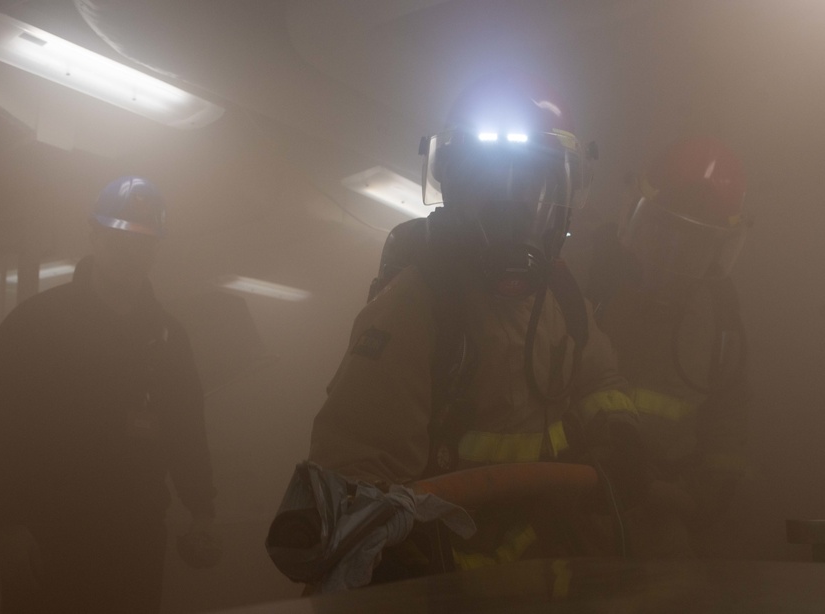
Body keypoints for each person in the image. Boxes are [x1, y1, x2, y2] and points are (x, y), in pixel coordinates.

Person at [308, 73, 649, 578]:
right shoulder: (418, 306)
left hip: (539, 570)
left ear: (564, 192)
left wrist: (618, 434)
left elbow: (601, 381)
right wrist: (395, 563)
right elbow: (355, 470)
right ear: (456, 189)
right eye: (491, 185)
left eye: (534, 185)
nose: (514, 210)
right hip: (444, 585)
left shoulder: (561, 296)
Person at [0, 176, 220, 613]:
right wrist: (8, 526)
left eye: (143, 241)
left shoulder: (167, 338)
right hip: (48, 539)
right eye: (118, 237)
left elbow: (186, 428)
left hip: (135, 542)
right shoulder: (35, 326)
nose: (130, 252)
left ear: (156, 248)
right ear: (94, 235)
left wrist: (201, 509)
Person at [586, 137, 750, 558]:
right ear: (635, 220)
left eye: (697, 242)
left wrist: (688, 509)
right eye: (665, 231)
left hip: (665, 534)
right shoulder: (589, 283)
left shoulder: (720, 321)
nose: (676, 254)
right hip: (573, 513)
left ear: (718, 249)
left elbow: (725, 441)